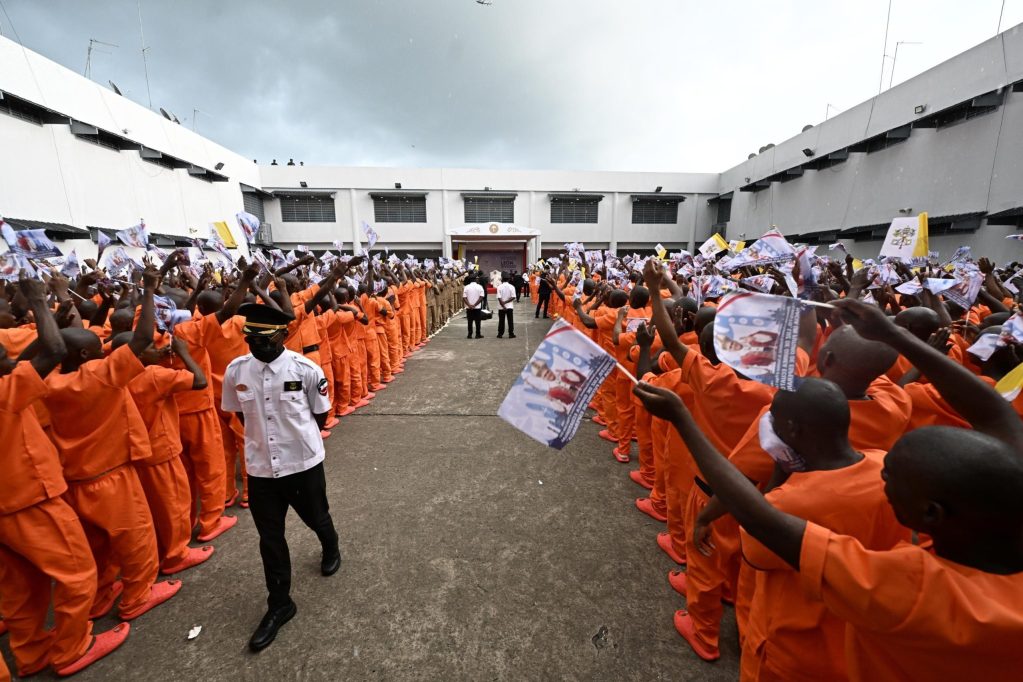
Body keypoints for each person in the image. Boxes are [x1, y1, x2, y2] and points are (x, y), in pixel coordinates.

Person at [632, 297, 1023, 681]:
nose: (882, 473)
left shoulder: (910, 588)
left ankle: (703, 632)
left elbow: (757, 520)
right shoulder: (892, 410)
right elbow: (997, 415)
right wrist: (894, 335)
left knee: (721, 569)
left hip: (791, 650)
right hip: (835, 635)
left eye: (893, 477)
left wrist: (685, 422)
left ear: (931, 513)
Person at [222, 303, 341, 652]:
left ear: (283, 335)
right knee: (270, 539)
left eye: (264, 339)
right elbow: (240, 414)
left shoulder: (305, 369)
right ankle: (280, 604)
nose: (256, 345)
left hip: (302, 464)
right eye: (250, 339)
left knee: (316, 517)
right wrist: (264, 443)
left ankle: (331, 545)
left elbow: (320, 416)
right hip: (260, 470)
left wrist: (295, 441)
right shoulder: (236, 371)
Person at [463, 274, 485, 339]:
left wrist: (469, 305)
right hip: (477, 307)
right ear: (475, 279)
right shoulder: (480, 287)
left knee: (470, 321)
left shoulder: (466, 287)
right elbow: (481, 297)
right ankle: (478, 334)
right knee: (478, 322)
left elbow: (464, 297)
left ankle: (469, 334)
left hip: (469, 308)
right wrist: (475, 305)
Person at [496, 274, 517, 339]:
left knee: (501, 320)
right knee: (510, 320)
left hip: (501, 307)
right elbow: (513, 297)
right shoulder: (512, 287)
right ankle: (511, 334)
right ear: (508, 279)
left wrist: (503, 304)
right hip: (509, 306)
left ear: (502, 279)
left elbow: (499, 298)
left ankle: (500, 334)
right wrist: (506, 303)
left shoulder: (499, 287)